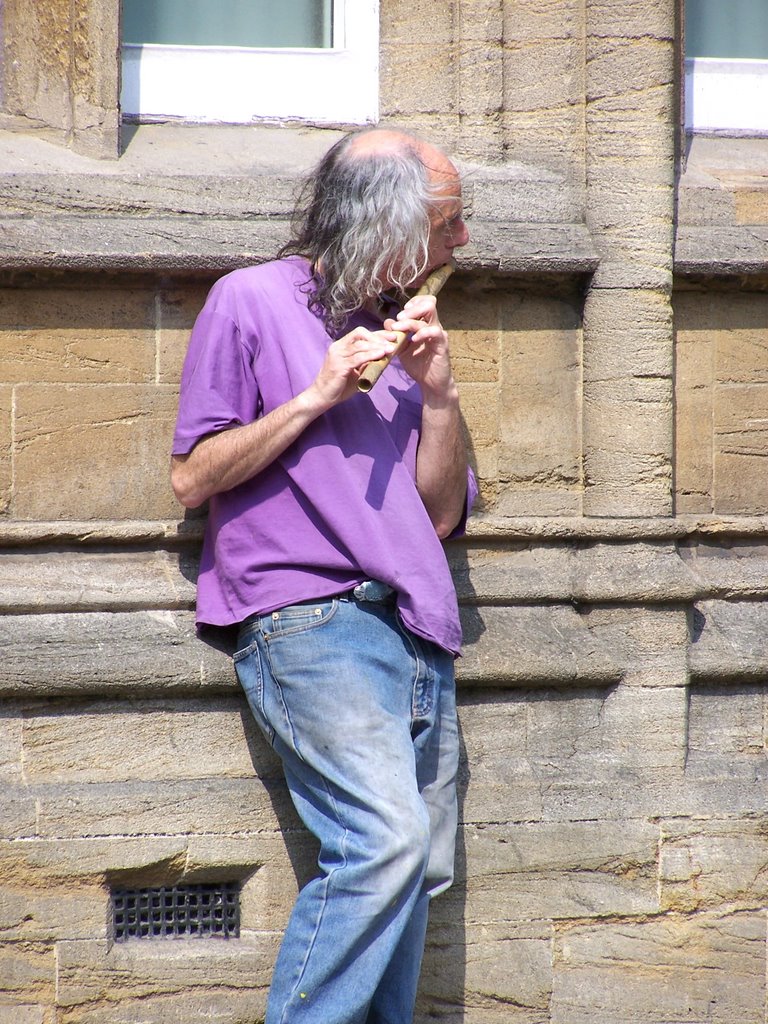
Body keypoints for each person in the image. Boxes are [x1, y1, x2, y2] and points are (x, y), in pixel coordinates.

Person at [170, 127, 475, 1024]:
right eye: (450, 225)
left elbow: (443, 515)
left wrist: (442, 391)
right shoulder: (249, 301)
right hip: (310, 618)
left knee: (420, 864)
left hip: (416, 623)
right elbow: (193, 477)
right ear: (387, 222)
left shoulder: (409, 327)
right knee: (384, 845)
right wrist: (314, 396)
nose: (463, 245)